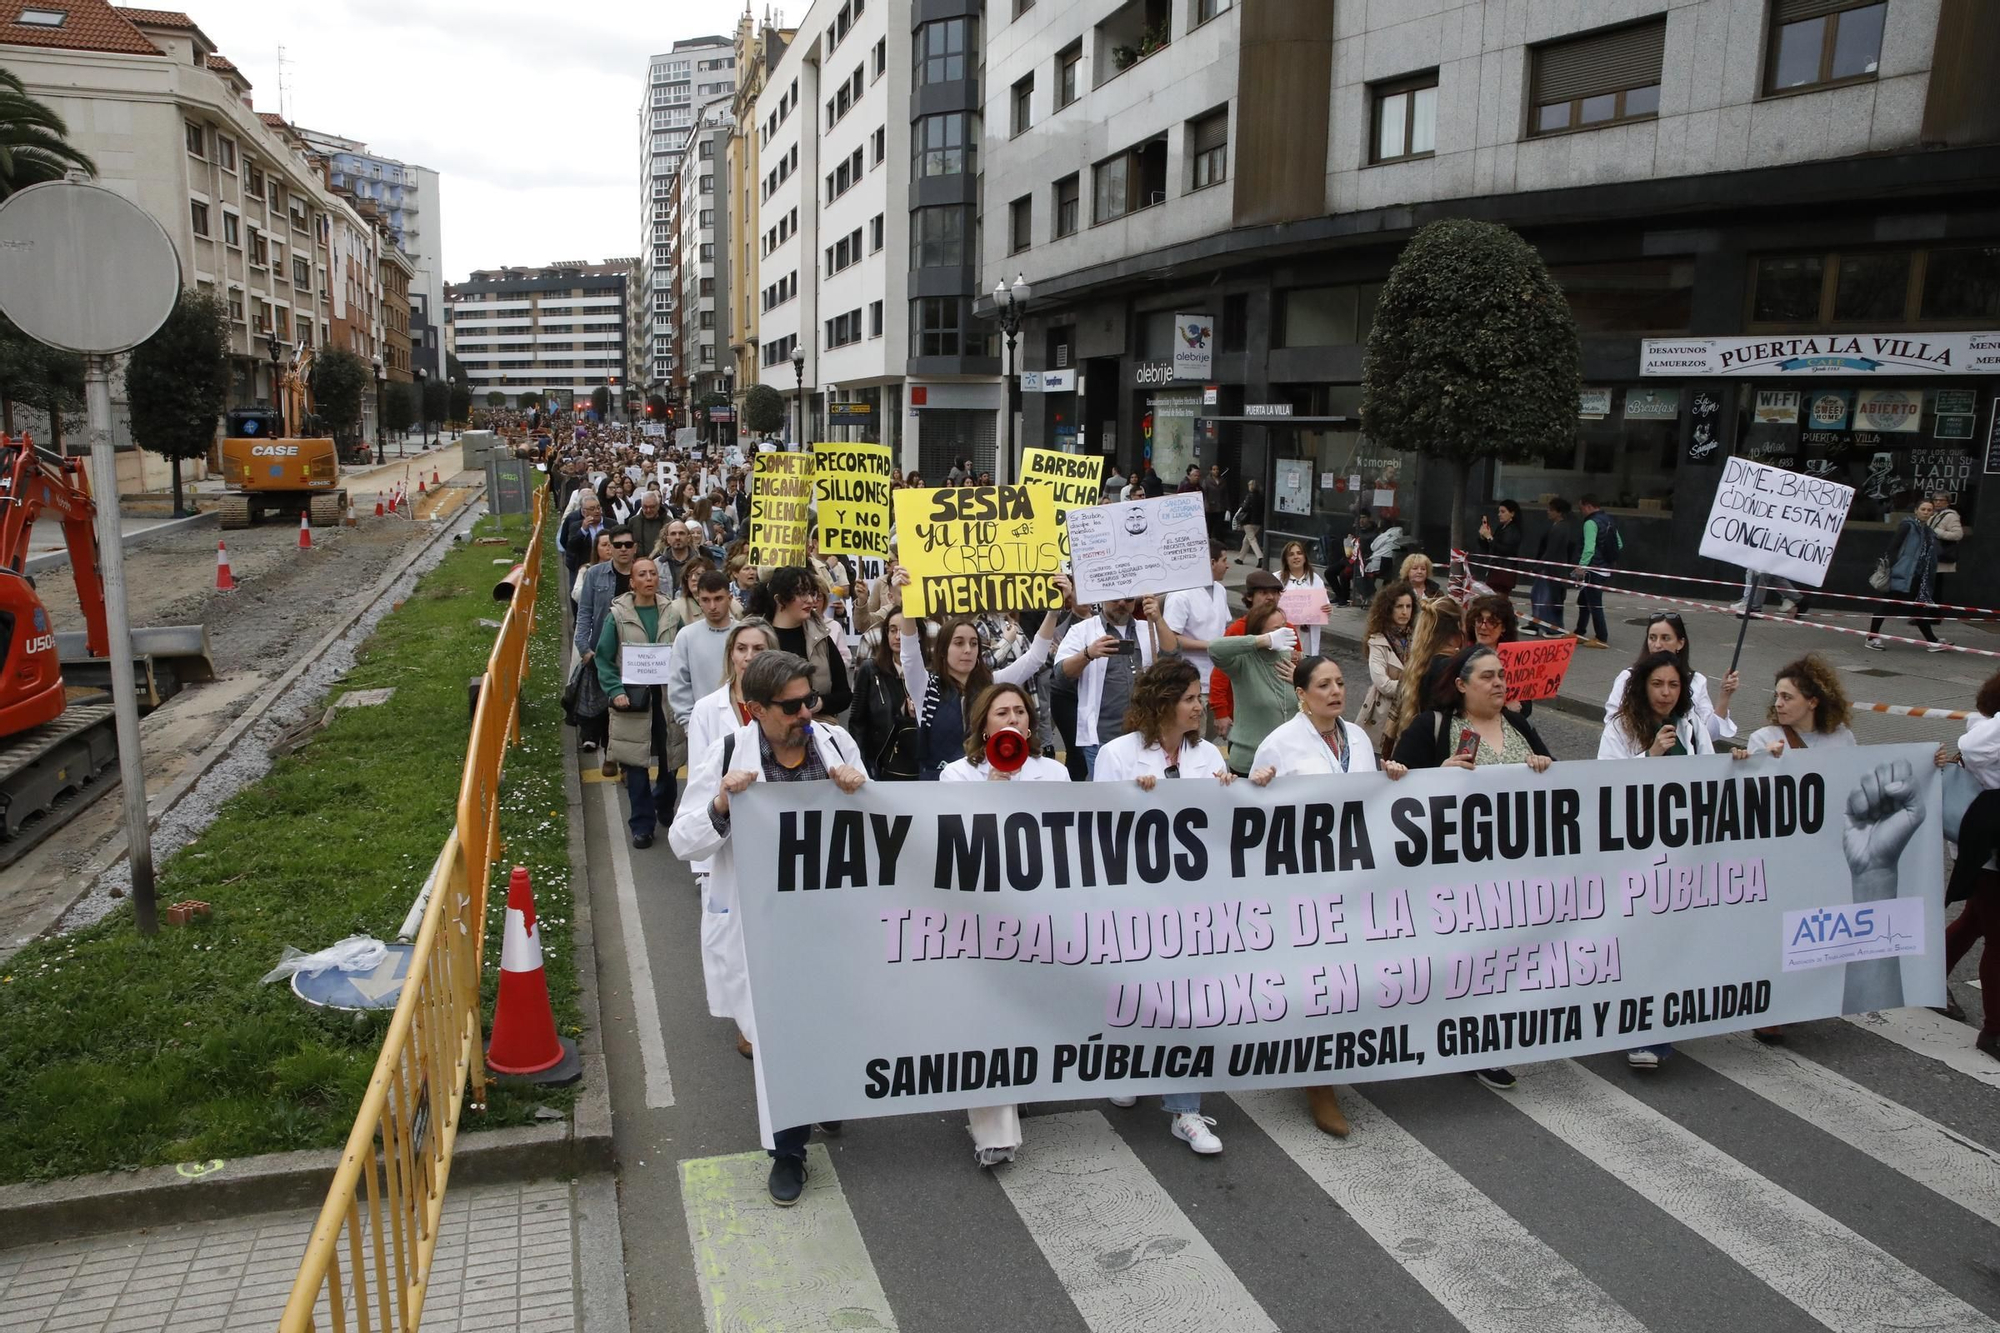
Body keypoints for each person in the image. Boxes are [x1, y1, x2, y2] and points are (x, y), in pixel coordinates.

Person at [668, 651, 868, 1207]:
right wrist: (722, 802)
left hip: (829, 921)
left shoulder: (834, 745)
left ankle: (823, 1092)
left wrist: (860, 791)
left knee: (832, 1022)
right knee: (780, 1040)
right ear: (753, 710)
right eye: (792, 705)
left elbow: (878, 834)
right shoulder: (727, 753)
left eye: (811, 700)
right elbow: (683, 841)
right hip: (764, 929)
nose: (806, 712)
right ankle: (788, 1153)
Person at [1248, 654, 1408, 1135]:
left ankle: (1340, 1059)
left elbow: (1371, 797)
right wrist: (1255, 789)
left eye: (1340, 682)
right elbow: (1253, 819)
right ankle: (1319, 1084)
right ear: (1302, 694)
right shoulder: (1279, 744)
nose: (1336, 691)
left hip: (1357, 880)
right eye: (1324, 685)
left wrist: (1393, 776)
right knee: (1318, 983)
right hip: (1304, 885)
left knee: (1351, 977)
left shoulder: (1357, 738)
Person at [1391, 644, 1554, 1093]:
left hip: (1514, 873)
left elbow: (1558, 783)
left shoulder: (1518, 724)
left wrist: (1543, 766)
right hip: (1453, 876)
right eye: (1487, 676)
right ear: (1461, 685)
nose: (1499, 682)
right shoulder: (1434, 727)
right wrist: (1435, 774)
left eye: (1502, 675)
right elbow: (1394, 786)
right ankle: (1454, 1037)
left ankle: (1482, 1042)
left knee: (1500, 959)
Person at [1092, 658, 1233, 1155]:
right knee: (1137, 993)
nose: (1201, 706)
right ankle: (1131, 1063)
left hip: (1194, 905)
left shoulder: (1210, 755)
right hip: (1136, 901)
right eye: (1192, 698)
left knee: (1189, 1004)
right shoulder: (1116, 755)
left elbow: (1225, 831)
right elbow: (1098, 831)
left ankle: (1185, 1110)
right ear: (1164, 704)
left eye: (1199, 698)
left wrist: (1238, 792)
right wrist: (1134, 802)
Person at [938, 683, 1069, 1164]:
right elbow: (955, 847)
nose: (1011, 719)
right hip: (981, 918)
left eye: (1019, 711)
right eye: (1000, 712)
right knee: (986, 1014)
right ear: (983, 724)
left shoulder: (1053, 773)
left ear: (1031, 724)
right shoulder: (957, 776)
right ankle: (994, 1132)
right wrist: (992, 790)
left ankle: (1019, 1079)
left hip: (1039, 914)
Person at [1600, 652, 1746, 1067]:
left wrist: (1732, 764)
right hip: (1638, 855)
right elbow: (1602, 786)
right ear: (1642, 687)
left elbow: (1706, 777)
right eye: (1658, 685)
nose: (1666, 694)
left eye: (1674, 686)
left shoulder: (1692, 724)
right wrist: (1650, 758)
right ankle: (1641, 1033)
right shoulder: (1620, 728)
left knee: (1673, 940)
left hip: (1684, 852)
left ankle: (1662, 1021)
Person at [683, 618, 776, 1059]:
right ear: (731, 655)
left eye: (759, 648)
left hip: (774, 842)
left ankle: (768, 1018)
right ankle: (748, 1024)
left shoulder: (791, 714)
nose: (749, 656)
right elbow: (700, 783)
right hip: (725, 841)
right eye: (742, 648)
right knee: (734, 944)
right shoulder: (709, 710)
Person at [902, 584, 1064, 779]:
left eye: (974, 643)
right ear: (943, 650)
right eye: (959, 643)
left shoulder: (992, 684)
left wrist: (1053, 613)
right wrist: (908, 604)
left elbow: (1035, 657)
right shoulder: (925, 688)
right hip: (938, 790)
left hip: (986, 782)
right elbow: (909, 655)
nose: (968, 650)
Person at [596, 557, 677, 848]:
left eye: (653, 573)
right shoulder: (617, 616)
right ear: (632, 582)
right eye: (642, 574)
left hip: (667, 698)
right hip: (633, 699)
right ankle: (641, 824)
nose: (648, 578)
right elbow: (603, 657)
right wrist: (615, 689)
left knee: (671, 759)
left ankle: (664, 801)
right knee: (635, 763)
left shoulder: (672, 612)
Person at [1945, 670, 2000, 1063]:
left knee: (1976, 921)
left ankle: (1926, 979)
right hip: (1989, 850)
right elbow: (1972, 743)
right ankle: (1994, 1031)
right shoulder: (1989, 732)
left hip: (1988, 846)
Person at [1057, 592, 1169, 776]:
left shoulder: (1148, 628)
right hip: (1102, 739)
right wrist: (1088, 654)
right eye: (1115, 599)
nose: (1122, 603)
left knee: (1145, 795)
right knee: (1106, 800)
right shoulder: (1082, 630)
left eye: (1129, 599)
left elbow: (1173, 655)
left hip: (1147, 736)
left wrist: (1158, 619)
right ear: (1101, 597)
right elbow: (1061, 675)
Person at [1599, 612, 1738, 743]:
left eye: (1665, 638)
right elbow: (1613, 727)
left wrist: (1724, 696)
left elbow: (1707, 735)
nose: (1657, 645)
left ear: (1680, 643)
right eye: (1652, 638)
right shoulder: (1627, 678)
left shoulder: (1696, 681)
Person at [576, 525, 642, 778]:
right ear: (609, 548)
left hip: (635, 651)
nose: (623, 549)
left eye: (628, 544)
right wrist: (584, 648)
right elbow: (584, 613)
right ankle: (609, 753)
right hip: (602, 650)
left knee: (632, 707)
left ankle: (626, 761)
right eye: (618, 545)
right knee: (606, 706)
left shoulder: (643, 572)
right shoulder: (595, 574)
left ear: (635, 547)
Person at [746, 566, 853, 719]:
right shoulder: (755, 639)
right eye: (801, 593)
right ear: (779, 599)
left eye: (811, 593)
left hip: (817, 727)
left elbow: (844, 695)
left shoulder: (821, 638)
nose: (810, 600)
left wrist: (820, 703)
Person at [1209, 603, 1302, 776]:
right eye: (1277, 630)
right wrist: (1263, 641)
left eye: (1284, 626)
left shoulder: (1290, 659)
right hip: (1250, 761)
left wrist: (1301, 680)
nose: (1284, 632)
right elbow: (1215, 649)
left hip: (1288, 761)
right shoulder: (1242, 661)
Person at [1384, 597, 1469, 756]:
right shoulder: (1451, 669)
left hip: (1418, 748)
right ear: (1458, 627)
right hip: (1442, 755)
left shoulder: (1417, 665)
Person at [1162, 543, 1234, 730]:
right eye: (1224, 560)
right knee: (1192, 737)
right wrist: (1210, 645)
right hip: (1192, 683)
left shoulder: (1221, 590)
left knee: (1211, 739)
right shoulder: (1180, 594)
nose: (1228, 566)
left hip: (1218, 681)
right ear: (1211, 562)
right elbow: (1171, 639)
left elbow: (1225, 627)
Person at [668, 570, 742, 740]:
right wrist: (689, 725)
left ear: (729, 598)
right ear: (699, 601)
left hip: (742, 724)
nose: (712, 606)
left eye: (718, 598)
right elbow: (678, 683)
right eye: (706, 600)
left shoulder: (744, 633)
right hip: (701, 726)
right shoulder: (686, 636)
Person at [1867, 498, 1947, 652]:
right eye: (1923, 509)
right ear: (1916, 510)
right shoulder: (1908, 526)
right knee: (1887, 605)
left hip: (1918, 577)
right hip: (1902, 574)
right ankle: (1871, 637)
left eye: (1929, 510)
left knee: (1919, 609)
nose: (1926, 512)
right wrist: (1892, 567)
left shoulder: (1928, 531)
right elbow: (1893, 547)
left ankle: (1932, 641)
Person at [847, 612, 920, 781]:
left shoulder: (927, 673)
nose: (897, 637)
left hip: (916, 763)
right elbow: (857, 722)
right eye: (892, 630)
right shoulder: (870, 669)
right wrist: (861, 763)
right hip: (879, 762)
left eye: (903, 631)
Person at [1746, 655, 1857, 755]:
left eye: (1787, 697)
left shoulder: (1842, 738)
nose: (1777, 704)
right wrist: (1765, 759)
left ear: (1812, 702)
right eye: (1777, 696)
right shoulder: (1763, 739)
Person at [1358, 580, 1415, 743]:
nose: (1405, 612)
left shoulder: (1418, 637)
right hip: (1384, 711)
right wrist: (1415, 686)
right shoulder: (1377, 640)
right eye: (1399, 606)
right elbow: (1383, 684)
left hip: (1412, 711)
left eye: (1408, 606)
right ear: (1388, 608)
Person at [1572, 495, 1621, 648]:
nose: (1581, 512)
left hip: (1593, 569)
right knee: (1584, 601)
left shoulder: (1590, 522)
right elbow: (1619, 543)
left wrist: (1582, 567)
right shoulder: (1609, 520)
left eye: (1581, 508)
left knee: (1594, 604)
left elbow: (1589, 548)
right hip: (1604, 568)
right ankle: (1579, 631)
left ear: (1588, 506)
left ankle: (1601, 637)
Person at [1530, 497, 1580, 633]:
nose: (1548, 512)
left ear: (1559, 512)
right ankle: (1539, 623)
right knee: (1543, 596)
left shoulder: (1560, 529)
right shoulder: (1561, 527)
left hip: (1552, 569)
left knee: (1547, 597)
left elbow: (1551, 552)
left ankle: (1552, 628)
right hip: (1553, 568)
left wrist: (1538, 567)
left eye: (1551, 510)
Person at [1277, 540, 1329, 655]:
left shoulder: (1315, 579)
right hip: (1284, 631)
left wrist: (1327, 609)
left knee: (1306, 664)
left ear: (1305, 557)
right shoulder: (1276, 579)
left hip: (1308, 633)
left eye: (1299, 553)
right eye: (1291, 554)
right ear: (1285, 559)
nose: (1296, 557)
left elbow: (1324, 604)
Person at [1475, 499, 1523, 596]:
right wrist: (1483, 537)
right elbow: (1489, 548)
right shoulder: (1501, 528)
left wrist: (1489, 537)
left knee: (1499, 600)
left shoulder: (1513, 530)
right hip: (1495, 570)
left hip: (1504, 573)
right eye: (1499, 512)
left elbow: (1505, 550)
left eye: (1503, 512)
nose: (1499, 514)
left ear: (1512, 513)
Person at [1235, 477, 1265, 564]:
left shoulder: (1249, 496)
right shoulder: (1261, 496)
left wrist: (1242, 504)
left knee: (1252, 539)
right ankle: (1240, 558)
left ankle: (1260, 557)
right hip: (1258, 521)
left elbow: (1245, 507)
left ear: (1251, 486)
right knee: (1246, 540)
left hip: (1248, 521)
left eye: (1249, 485)